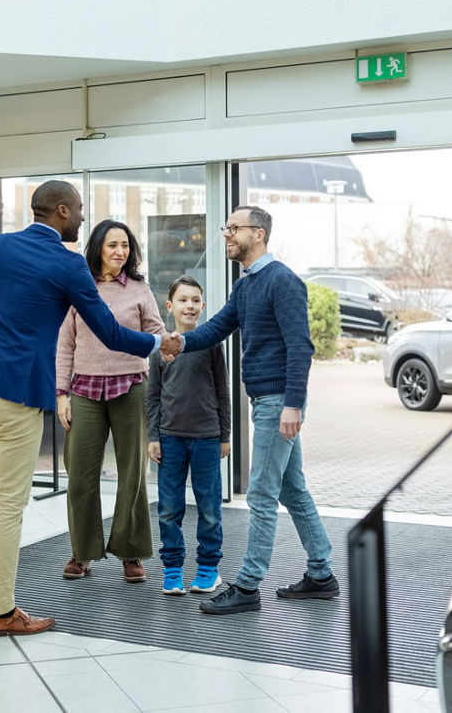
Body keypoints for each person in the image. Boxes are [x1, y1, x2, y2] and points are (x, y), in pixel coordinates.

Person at [0, 181, 182, 637]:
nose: (83, 220)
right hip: (15, 393)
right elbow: (110, 333)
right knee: (9, 504)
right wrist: (157, 341)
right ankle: (0, 611)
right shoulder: (68, 264)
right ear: (61, 210)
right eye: (80, 212)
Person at [175, 205, 339, 615]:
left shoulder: (282, 281)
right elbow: (217, 328)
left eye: (233, 228)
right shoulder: (246, 284)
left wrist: (293, 404)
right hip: (266, 401)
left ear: (259, 233)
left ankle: (247, 586)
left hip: (277, 402)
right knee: (291, 489)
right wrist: (178, 342)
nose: (226, 234)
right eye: (225, 226)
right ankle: (321, 574)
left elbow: (301, 347)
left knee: (262, 494)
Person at [56, 220, 164, 583]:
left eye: (125, 245)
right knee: (81, 476)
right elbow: (65, 345)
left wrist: (177, 342)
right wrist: (61, 395)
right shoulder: (80, 288)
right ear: (98, 249)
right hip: (84, 390)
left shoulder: (138, 289)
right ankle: (82, 551)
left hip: (131, 386)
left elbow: (156, 334)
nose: (120, 252)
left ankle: (130, 553)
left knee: (132, 474)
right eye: (112, 245)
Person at [146, 275, 231, 596]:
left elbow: (223, 392)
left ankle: (209, 568)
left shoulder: (210, 344)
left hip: (208, 438)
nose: (190, 306)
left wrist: (225, 434)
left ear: (203, 306)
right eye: (183, 300)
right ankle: (172, 569)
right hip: (170, 440)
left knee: (209, 507)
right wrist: (153, 435)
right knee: (169, 508)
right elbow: (153, 395)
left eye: (196, 300)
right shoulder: (161, 347)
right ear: (169, 306)